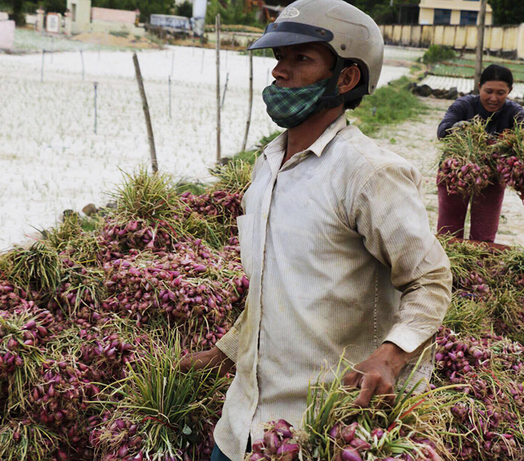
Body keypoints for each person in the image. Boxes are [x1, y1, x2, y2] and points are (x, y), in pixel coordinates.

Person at [180, 1, 452, 460]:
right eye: (278, 60)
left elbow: (430, 281)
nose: (280, 74)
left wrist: (390, 355)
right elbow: (275, 285)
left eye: (300, 59)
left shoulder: (369, 174)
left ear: (345, 78)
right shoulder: (268, 164)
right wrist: (225, 353)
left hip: (321, 432)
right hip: (240, 426)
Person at [436, 64, 524, 243]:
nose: (493, 98)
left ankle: (479, 268)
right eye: (488, 91)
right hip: (457, 172)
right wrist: (459, 128)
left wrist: (520, 140)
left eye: (501, 93)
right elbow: (442, 130)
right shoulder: (463, 105)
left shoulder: (514, 112)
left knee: (484, 235)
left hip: (492, 177)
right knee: (448, 232)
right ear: (479, 86)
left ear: (510, 91)